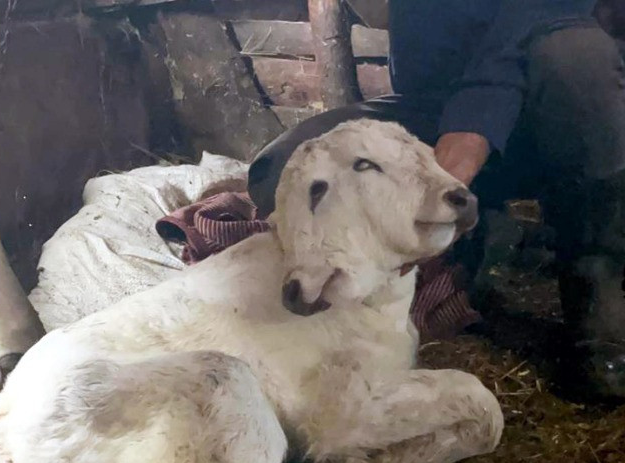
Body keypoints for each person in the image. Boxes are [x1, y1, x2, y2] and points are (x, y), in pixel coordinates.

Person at [247, 1, 625, 400]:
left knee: (573, 57)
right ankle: (469, 237)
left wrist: (475, 117)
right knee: (281, 171)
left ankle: (600, 302)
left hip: (568, 106)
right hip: (437, 103)